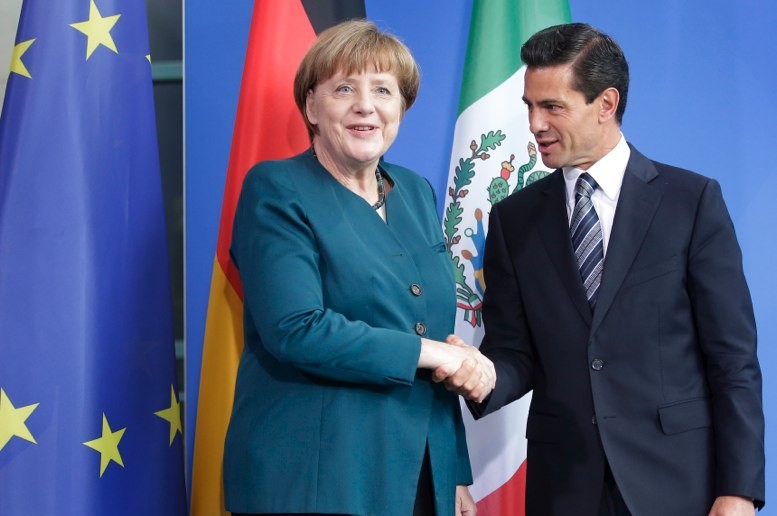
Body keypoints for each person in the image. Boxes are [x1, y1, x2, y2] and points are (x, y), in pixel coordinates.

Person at [439, 22, 765, 516]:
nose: (535, 124)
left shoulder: (691, 202)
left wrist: (738, 490)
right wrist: (481, 375)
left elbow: (733, 359)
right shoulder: (513, 220)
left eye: (552, 107)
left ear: (606, 104)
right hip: (563, 486)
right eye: (529, 106)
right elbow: (514, 351)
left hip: (676, 485)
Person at [223, 20, 495, 516]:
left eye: (383, 90)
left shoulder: (415, 191)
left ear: (401, 108)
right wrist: (434, 353)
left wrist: (452, 469)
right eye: (345, 88)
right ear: (312, 107)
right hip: (319, 478)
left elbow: (428, 330)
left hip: (419, 474)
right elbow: (295, 328)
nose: (365, 106)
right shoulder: (276, 189)